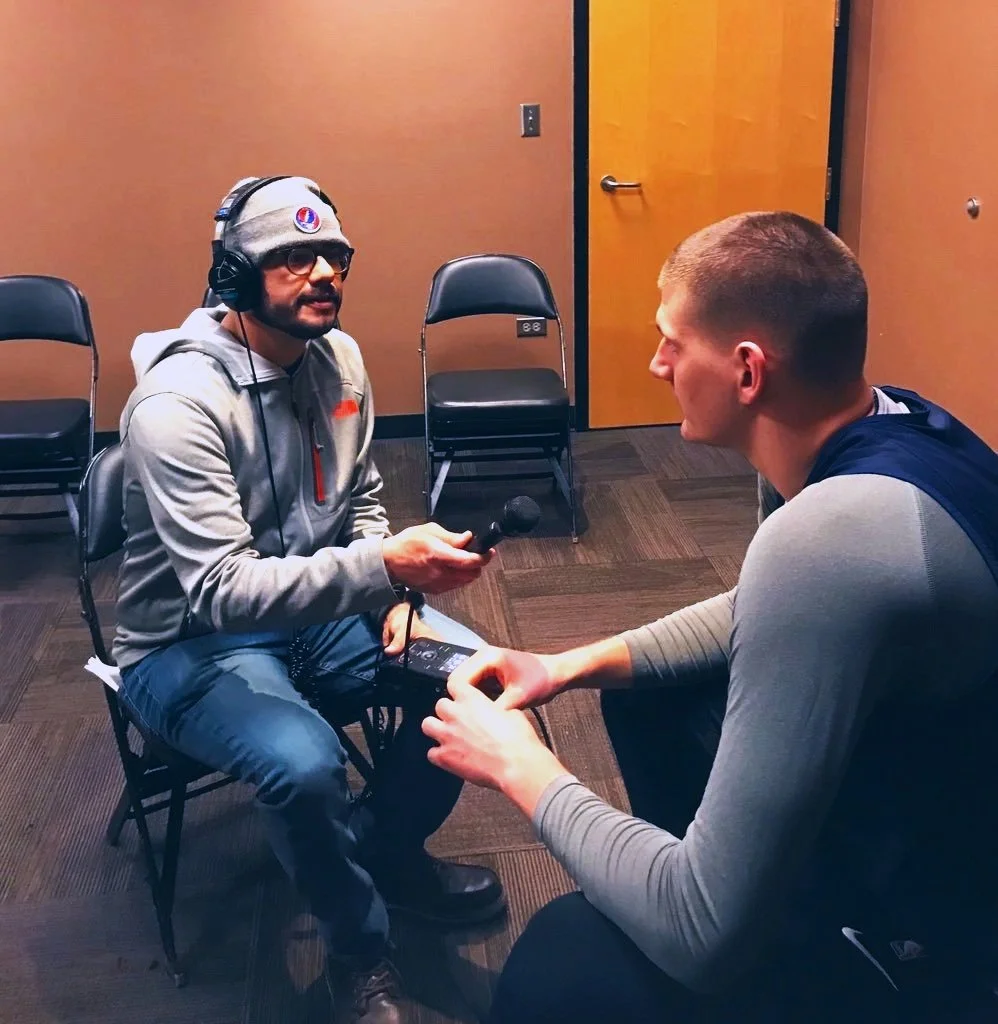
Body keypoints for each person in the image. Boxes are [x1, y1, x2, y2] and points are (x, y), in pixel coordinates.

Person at [422, 211, 998, 1022]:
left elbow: (701, 932)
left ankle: (808, 966)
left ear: (748, 371)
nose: (656, 364)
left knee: (566, 957)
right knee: (648, 691)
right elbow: (765, 610)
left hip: (947, 949)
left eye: (672, 343)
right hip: (936, 799)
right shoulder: (896, 429)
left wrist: (519, 766)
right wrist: (565, 664)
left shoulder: (834, 540)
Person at [113, 175, 505, 1024]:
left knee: (477, 677)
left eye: (334, 256)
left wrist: (391, 594)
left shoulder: (342, 360)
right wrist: (383, 570)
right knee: (303, 764)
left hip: (317, 615)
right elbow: (221, 592)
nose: (322, 273)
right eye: (292, 258)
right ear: (234, 278)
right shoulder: (177, 405)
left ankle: (377, 856)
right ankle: (358, 953)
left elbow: (359, 502)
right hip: (189, 644)